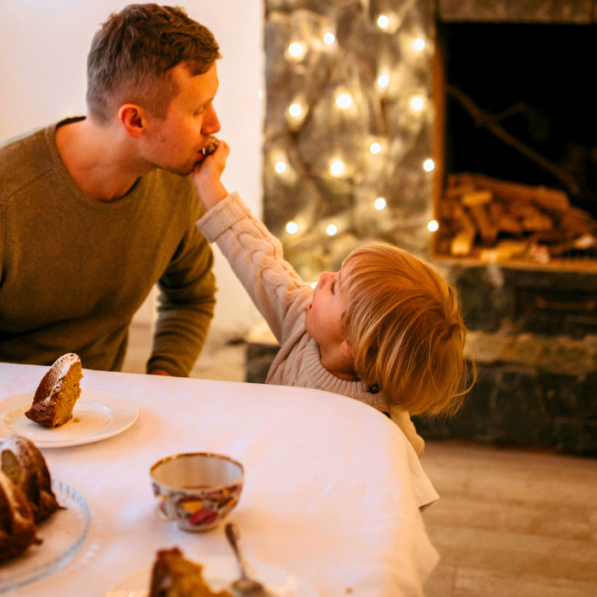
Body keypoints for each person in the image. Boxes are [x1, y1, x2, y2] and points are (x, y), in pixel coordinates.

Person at [0, 4, 222, 376]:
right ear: (134, 119)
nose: (215, 124)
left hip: (103, 416)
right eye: (199, 110)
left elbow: (190, 296)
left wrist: (165, 378)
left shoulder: (178, 181)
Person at [191, 141, 471, 456]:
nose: (323, 277)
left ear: (352, 343)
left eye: (335, 287)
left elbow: (402, 495)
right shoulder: (304, 320)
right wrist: (209, 185)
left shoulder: (380, 431)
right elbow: (258, 258)